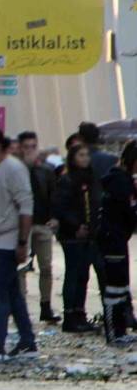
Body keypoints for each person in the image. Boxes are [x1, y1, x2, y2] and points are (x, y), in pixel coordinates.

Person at [0, 128, 38, 360]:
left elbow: (26, 207)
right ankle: (27, 342)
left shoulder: (13, 169)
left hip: (7, 240)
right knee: (13, 294)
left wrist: (22, 242)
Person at [53, 142, 103, 333]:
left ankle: (79, 313)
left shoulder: (91, 178)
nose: (85, 159)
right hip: (72, 236)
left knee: (83, 274)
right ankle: (70, 315)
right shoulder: (67, 180)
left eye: (86, 155)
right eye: (81, 155)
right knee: (73, 274)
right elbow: (60, 207)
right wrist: (75, 226)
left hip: (88, 235)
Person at [97, 140, 137, 343]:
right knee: (115, 288)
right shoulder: (120, 182)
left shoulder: (119, 179)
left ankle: (119, 331)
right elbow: (128, 212)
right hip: (113, 238)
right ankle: (114, 332)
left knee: (120, 286)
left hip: (116, 237)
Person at [17, 131, 60, 322]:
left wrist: (54, 217)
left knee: (46, 267)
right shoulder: (17, 170)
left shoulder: (46, 171)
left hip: (42, 223)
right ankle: (21, 306)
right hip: (22, 225)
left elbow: (53, 196)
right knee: (22, 268)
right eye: (26, 147)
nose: (30, 151)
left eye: (33, 146)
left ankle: (45, 305)